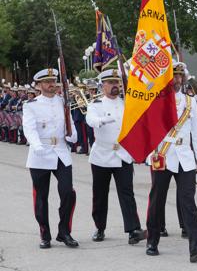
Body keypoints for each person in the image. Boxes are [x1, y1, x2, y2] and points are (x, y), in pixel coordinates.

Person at [145, 61, 197, 262]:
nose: (176, 80)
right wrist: (151, 154)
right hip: (163, 155)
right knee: (157, 200)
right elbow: (149, 129)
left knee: (188, 202)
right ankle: (152, 240)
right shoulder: (157, 100)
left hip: (185, 156)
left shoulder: (190, 102)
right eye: (173, 76)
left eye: (179, 76)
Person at [86, 69, 145, 244]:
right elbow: (91, 120)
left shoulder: (126, 103)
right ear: (102, 85)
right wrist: (101, 120)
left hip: (123, 154)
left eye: (116, 83)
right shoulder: (96, 104)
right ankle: (100, 227)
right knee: (100, 194)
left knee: (127, 192)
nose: (114, 86)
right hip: (102, 155)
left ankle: (133, 229)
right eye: (110, 83)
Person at [23, 68, 78, 249]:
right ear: (39, 85)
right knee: (41, 196)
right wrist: (36, 145)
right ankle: (45, 234)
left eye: (53, 80)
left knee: (68, 192)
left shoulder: (63, 102)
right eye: (47, 81)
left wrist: (72, 136)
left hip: (61, 151)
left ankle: (64, 232)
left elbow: (69, 124)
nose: (51, 84)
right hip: (41, 152)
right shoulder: (31, 105)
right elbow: (29, 129)